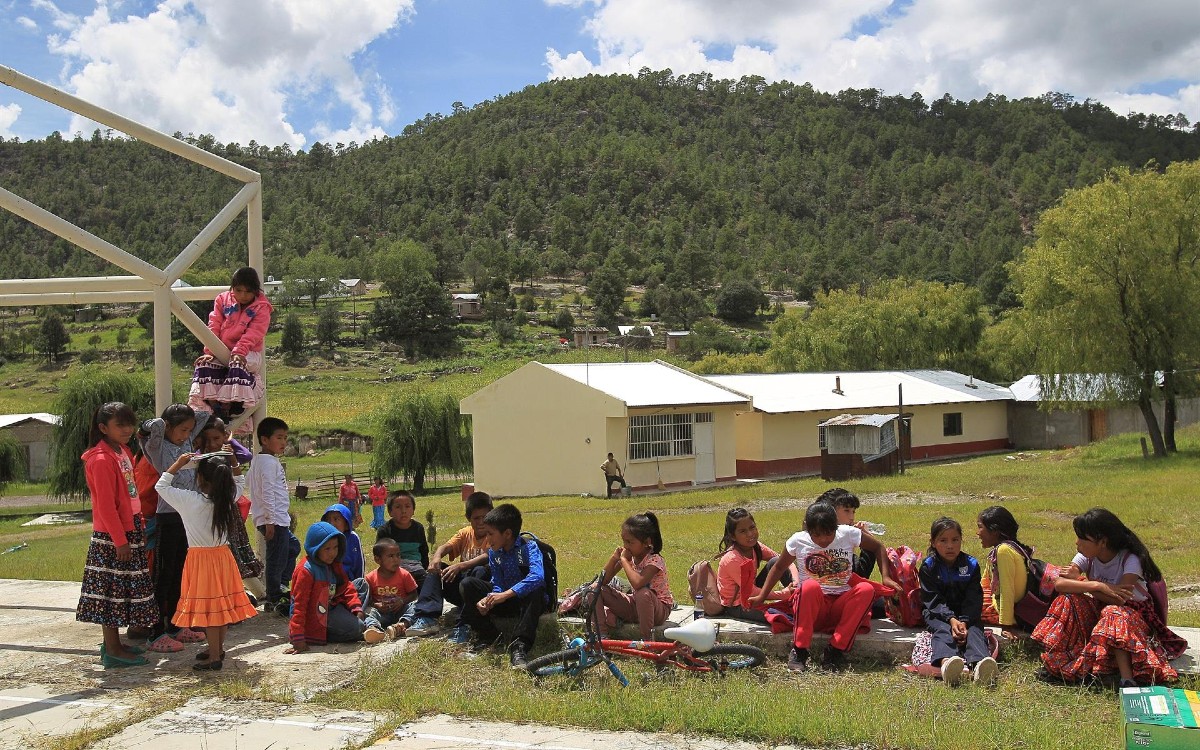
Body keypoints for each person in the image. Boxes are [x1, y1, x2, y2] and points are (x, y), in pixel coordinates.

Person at [1032, 507, 1186, 687]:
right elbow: (1060, 584)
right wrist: (1097, 585)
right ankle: (1056, 659)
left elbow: (1119, 599)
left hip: (1133, 617)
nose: (1077, 543)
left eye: (1082, 538)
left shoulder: (1130, 560)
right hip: (1101, 611)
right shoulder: (1086, 556)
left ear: (1102, 542)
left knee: (1114, 613)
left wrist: (1082, 583)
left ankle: (1127, 679)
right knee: (1067, 600)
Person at [751, 502, 898, 673]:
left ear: (836, 528)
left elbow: (878, 547)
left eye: (828, 534)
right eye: (816, 535)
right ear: (807, 529)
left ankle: (835, 651)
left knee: (866, 589)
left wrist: (885, 577)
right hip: (813, 609)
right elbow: (778, 567)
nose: (823, 540)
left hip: (840, 607)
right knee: (809, 586)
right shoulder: (798, 540)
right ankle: (799, 650)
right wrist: (762, 595)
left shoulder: (848, 534)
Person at [154, 452, 258, 671]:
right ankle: (216, 649)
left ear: (200, 478)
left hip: (201, 560)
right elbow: (239, 481)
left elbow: (161, 487)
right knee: (220, 608)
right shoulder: (227, 498)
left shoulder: (190, 500)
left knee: (211, 612)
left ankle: (214, 657)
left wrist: (179, 463)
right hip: (223, 557)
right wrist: (233, 462)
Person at [75, 402, 157, 669]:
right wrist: (120, 540)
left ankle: (117, 644)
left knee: (121, 590)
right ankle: (111, 648)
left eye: (129, 423)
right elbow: (106, 506)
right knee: (110, 592)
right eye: (120, 425)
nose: (127, 429)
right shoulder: (100, 459)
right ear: (103, 428)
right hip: (112, 536)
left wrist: (138, 525)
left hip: (129, 528)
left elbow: (130, 496)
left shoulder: (122, 451)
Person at [139, 403, 211, 653]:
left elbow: (204, 415)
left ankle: (177, 624)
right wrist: (158, 424)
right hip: (168, 515)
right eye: (182, 430)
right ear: (168, 427)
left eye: (189, 430)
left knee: (182, 573)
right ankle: (156, 631)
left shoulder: (186, 441)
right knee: (164, 574)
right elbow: (154, 427)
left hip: (187, 515)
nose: (186, 435)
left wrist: (187, 418)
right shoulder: (157, 447)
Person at [460, 503, 546, 668]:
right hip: (505, 600)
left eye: (491, 534)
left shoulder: (529, 547)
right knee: (468, 584)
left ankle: (519, 646)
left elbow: (537, 576)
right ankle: (489, 636)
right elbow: (498, 583)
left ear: (507, 534)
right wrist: (489, 599)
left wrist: (506, 594)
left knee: (536, 590)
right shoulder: (494, 552)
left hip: (525, 602)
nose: (487, 539)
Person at [918, 517, 998, 687]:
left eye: (955, 540)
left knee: (975, 631)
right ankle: (948, 663)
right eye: (943, 540)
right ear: (933, 542)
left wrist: (965, 621)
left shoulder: (970, 565)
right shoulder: (929, 566)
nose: (950, 546)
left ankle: (980, 665)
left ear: (961, 541)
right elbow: (932, 599)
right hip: (937, 613)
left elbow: (974, 597)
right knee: (942, 631)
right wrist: (951, 619)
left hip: (966, 613)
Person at [406, 491, 495, 642]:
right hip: (462, 589)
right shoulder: (466, 533)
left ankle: (464, 624)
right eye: (476, 518)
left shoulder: (494, 533)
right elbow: (446, 546)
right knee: (437, 567)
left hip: (482, 590)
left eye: (485, 517)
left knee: (479, 570)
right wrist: (436, 558)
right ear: (469, 519)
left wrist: (460, 566)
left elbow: (489, 556)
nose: (481, 522)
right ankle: (428, 617)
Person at [190, 266, 272, 425]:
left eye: (248, 291)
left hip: (249, 353)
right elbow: (214, 324)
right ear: (232, 288)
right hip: (222, 352)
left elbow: (254, 333)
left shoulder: (262, 308)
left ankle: (235, 405)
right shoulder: (222, 299)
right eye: (238, 290)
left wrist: (239, 352)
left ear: (256, 291)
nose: (242, 295)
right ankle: (214, 406)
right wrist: (209, 351)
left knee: (237, 363)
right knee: (204, 364)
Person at [285, 521, 366, 652]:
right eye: (327, 549)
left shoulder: (333, 563)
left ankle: (354, 618)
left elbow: (346, 586)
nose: (332, 553)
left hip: (332, 603)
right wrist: (297, 637)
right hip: (318, 614)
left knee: (361, 584)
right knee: (357, 628)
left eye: (335, 547)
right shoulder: (306, 571)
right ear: (315, 548)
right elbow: (298, 605)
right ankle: (320, 635)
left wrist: (356, 608)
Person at [596, 512, 674, 640]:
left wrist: (624, 561)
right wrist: (614, 558)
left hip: (658, 610)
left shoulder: (654, 560)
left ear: (646, 542)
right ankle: (602, 636)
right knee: (595, 589)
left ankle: (647, 641)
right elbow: (602, 580)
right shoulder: (629, 557)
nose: (625, 546)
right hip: (636, 606)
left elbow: (638, 583)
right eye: (623, 541)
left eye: (630, 542)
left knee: (643, 593)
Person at [715, 507, 796, 624]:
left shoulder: (756, 547)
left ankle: (798, 597)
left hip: (752, 592)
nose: (750, 534)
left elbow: (785, 561)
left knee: (776, 561)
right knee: (781, 617)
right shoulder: (731, 559)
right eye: (743, 531)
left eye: (752, 527)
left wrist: (795, 581)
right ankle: (792, 601)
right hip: (737, 605)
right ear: (733, 536)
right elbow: (751, 591)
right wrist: (783, 594)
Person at [247, 417, 293, 613]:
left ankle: (279, 586)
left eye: (285, 438)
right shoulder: (268, 462)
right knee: (276, 558)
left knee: (292, 547)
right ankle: (274, 596)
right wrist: (269, 521)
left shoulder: (259, 460)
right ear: (265, 440)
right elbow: (266, 491)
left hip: (275, 518)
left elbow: (250, 483)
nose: (283, 442)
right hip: (274, 520)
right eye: (279, 437)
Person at [976, 505, 1034, 638]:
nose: (978, 533)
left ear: (994, 531)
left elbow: (1007, 590)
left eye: (980, 527)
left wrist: (1006, 626)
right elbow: (985, 582)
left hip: (1009, 612)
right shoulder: (1002, 549)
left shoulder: (1003, 551)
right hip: (996, 601)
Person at [361, 538, 419, 643]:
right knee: (368, 611)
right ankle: (373, 629)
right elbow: (368, 600)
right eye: (391, 556)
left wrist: (402, 601)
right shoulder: (370, 578)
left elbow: (413, 594)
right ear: (377, 560)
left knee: (416, 605)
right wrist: (376, 605)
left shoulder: (404, 574)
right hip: (382, 614)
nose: (396, 559)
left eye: (398, 555)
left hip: (400, 612)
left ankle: (400, 627)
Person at [375, 490, 428, 584]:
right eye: (398, 507)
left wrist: (425, 569)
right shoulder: (385, 530)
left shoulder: (418, 528)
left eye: (407, 506)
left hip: (416, 568)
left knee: (428, 585)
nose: (403, 511)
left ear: (413, 510)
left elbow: (424, 551)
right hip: (394, 569)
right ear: (390, 512)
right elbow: (380, 554)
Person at [321, 504, 366, 581]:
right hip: (327, 582)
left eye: (336, 519)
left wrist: (359, 584)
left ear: (346, 524)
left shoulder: (353, 538)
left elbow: (359, 563)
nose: (331, 523)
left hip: (349, 582)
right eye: (328, 520)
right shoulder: (322, 538)